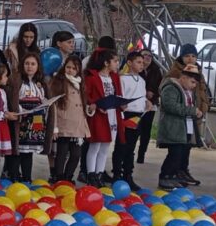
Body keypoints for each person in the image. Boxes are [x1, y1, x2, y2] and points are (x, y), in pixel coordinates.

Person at [157, 65, 204, 189]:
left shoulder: (188, 91)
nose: (194, 86)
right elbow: (170, 106)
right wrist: (191, 111)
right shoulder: (171, 88)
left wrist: (196, 112)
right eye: (192, 82)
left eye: (196, 83)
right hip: (174, 128)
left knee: (182, 154)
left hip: (185, 127)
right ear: (183, 78)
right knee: (175, 154)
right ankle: (165, 176)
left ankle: (174, 176)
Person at [83, 49, 124, 186]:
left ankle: (100, 174)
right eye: (115, 61)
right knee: (95, 145)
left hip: (112, 115)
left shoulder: (114, 77)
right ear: (106, 63)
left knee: (105, 146)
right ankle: (91, 175)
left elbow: (117, 93)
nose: (117, 64)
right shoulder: (92, 77)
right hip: (99, 116)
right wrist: (94, 104)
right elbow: (86, 95)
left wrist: (122, 103)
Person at [48, 55, 90, 183]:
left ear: (78, 70)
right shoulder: (59, 81)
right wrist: (54, 126)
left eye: (74, 68)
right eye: (68, 67)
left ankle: (68, 176)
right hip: (64, 123)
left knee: (76, 154)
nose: (70, 70)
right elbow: (53, 105)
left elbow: (82, 104)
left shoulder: (80, 83)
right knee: (62, 152)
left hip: (78, 124)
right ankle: (59, 177)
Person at [9, 52, 47, 183]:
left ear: (38, 66)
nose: (29, 67)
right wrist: (20, 110)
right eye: (27, 63)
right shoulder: (17, 80)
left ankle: (27, 178)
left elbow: (43, 98)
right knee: (18, 149)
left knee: (29, 151)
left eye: (33, 64)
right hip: (22, 119)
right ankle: (14, 177)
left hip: (36, 119)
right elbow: (12, 99)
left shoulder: (39, 83)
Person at [115, 51, 149, 191]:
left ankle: (128, 174)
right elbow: (120, 96)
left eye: (142, 63)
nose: (141, 65)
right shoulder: (123, 79)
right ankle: (117, 174)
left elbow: (142, 96)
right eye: (138, 62)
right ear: (129, 63)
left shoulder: (142, 80)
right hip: (127, 114)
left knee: (131, 147)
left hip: (138, 115)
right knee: (122, 145)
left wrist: (147, 102)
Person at [136, 48, 163, 164]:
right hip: (137, 104)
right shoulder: (136, 70)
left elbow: (160, 87)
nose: (147, 57)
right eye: (145, 55)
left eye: (150, 56)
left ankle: (141, 154)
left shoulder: (156, 70)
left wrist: (153, 94)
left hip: (151, 104)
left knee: (146, 130)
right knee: (135, 129)